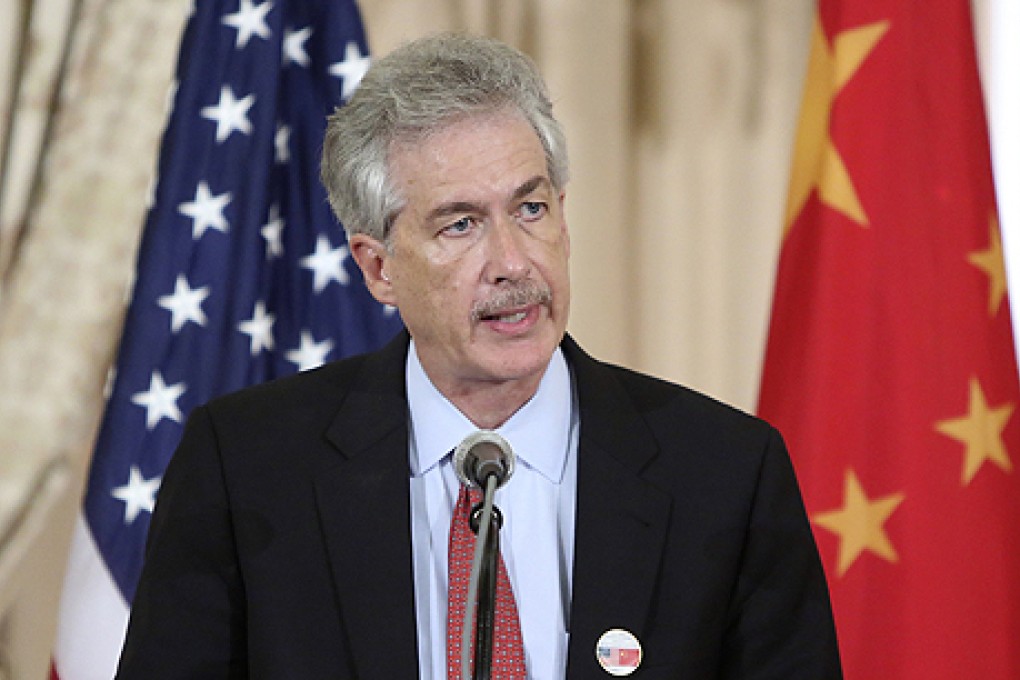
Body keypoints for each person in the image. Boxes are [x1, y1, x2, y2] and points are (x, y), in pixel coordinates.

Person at [116, 32, 841, 679]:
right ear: (378, 268)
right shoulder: (246, 469)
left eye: (531, 209)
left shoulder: (725, 475)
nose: (513, 262)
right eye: (460, 225)